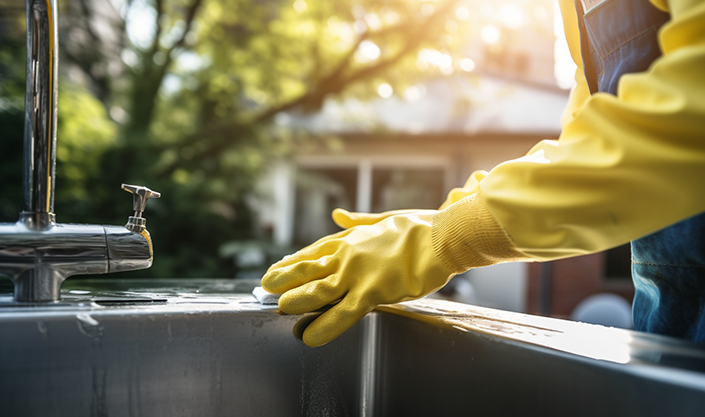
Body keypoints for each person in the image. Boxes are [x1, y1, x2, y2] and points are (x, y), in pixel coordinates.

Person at [262, 0, 705, 347]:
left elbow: (690, 119)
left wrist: (450, 238)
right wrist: (442, 220)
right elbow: (592, 144)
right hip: (673, 325)